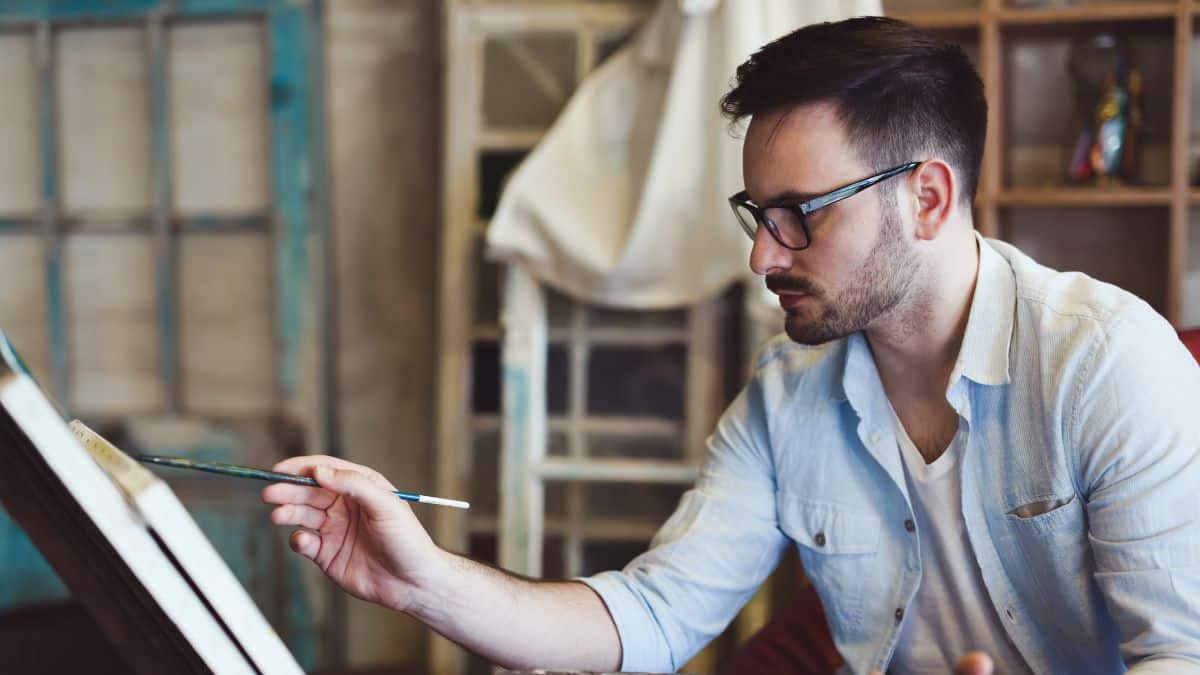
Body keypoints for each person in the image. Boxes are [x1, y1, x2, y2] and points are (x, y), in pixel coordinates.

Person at [262, 16, 1200, 675]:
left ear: (927, 198)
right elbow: (658, 613)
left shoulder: (1108, 363)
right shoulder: (789, 393)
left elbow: (1181, 655)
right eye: (758, 214)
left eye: (799, 215)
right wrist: (423, 580)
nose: (761, 254)